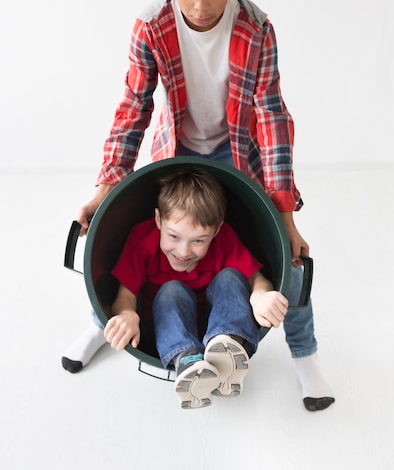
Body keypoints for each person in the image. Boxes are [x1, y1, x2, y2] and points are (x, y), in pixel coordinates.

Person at [62, 0, 334, 412]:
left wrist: (286, 214)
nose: (201, 7)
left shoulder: (257, 27)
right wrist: (104, 186)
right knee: (114, 236)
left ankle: (305, 355)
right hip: (177, 150)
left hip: (238, 155)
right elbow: (132, 109)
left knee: (291, 257)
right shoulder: (151, 26)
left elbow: (273, 117)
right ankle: (105, 324)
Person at [103, 170, 288, 409]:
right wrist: (128, 314)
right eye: (173, 236)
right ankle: (188, 361)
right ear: (158, 220)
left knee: (232, 277)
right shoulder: (143, 240)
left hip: (219, 319)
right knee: (171, 290)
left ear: (218, 229)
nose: (183, 251)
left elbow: (257, 279)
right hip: (171, 327)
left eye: (199, 240)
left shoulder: (224, 241)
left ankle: (228, 345)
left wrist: (260, 295)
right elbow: (124, 297)